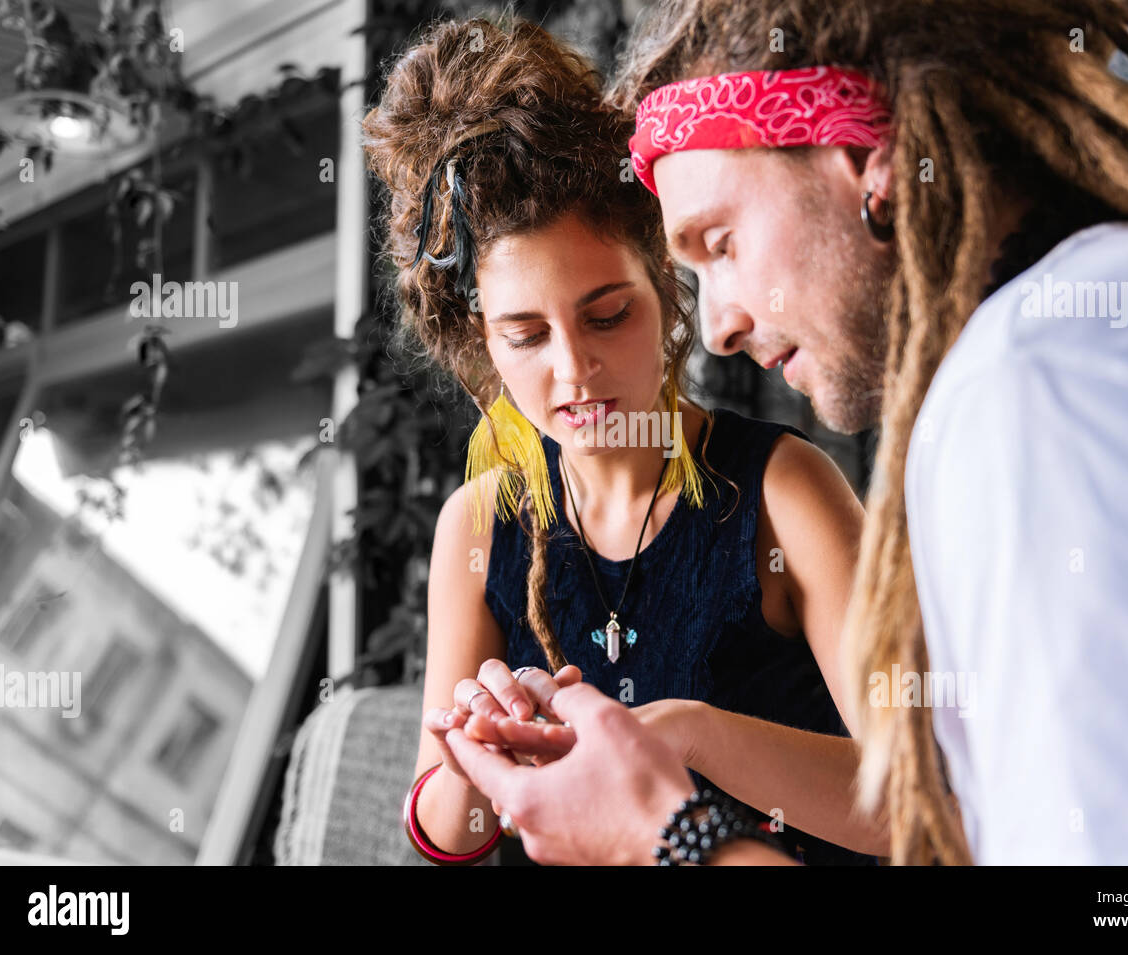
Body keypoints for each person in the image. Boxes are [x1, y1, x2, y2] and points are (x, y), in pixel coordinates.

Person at [443, 0, 1128, 865]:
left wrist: (670, 832)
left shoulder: (1040, 386)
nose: (720, 324)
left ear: (865, 159)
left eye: (720, 243)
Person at [362, 16, 889, 866]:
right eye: (526, 336)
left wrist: (686, 737)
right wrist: (482, 748)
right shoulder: (481, 524)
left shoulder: (785, 493)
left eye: (608, 314)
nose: (577, 369)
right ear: (483, 345)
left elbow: (921, 802)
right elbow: (448, 831)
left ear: (667, 290)